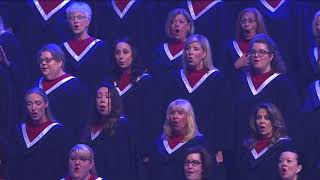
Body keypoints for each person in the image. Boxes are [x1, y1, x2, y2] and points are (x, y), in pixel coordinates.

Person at [166, 34, 233, 169]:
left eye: (195, 49)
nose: (190, 52)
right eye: (188, 49)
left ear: (204, 53)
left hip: (208, 143)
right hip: (180, 142)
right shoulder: (176, 78)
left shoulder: (217, 79)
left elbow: (223, 116)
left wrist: (219, 148)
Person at [234, 33, 300, 148]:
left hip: (273, 146)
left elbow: (290, 118)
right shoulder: (242, 81)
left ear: (271, 57)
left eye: (262, 52)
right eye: (253, 52)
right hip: (244, 144)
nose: (256, 56)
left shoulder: (282, 83)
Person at [112, 37, 162, 161]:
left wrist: (147, 148)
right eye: (118, 53)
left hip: (137, 144)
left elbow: (151, 118)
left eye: (125, 52)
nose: (121, 57)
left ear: (133, 54)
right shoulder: (109, 81)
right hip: (112, 141)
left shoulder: (145, 81)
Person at [9, 87, 69, 180]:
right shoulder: (19, 131)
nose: (33, 108)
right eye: (29, 104)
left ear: (46, 104)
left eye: (38, 103)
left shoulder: (57, 132)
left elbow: (62, 166)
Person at [36, 44, 91, 142]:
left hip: (65, 142)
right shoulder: (37, 85)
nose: (43, 63)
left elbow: (83, 121)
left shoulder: (76, 86)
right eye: (41, 61)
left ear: (60, 62)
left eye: (48, 60)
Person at [83, 83, 138, 180]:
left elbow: (125, 162)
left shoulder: (121, 125)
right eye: (99, 97)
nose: (102, 100)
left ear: (114, 101)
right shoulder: (90, 129)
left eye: (107, 97)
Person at [150, 99, 209, 180]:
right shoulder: (159, 143)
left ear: (189, 117)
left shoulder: (199, 142)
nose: (175, 117)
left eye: (180, 113)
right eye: (172, 113)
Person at [62, 1, 112, 92]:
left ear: (88, 21)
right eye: (71, 18)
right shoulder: (63, 48)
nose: (75, 21)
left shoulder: (99, 47)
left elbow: (105, 76)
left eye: (79, 17)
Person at [236, 102, 295, 180]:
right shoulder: (248, 146)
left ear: (274, 121)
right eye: (258, 117)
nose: (261, 121)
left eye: (267, 118)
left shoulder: (284, 145)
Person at [222, 8, 267, 81]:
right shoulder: (230, 48)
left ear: (258, 24)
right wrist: (236, 65)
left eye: (251, 21)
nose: (246, 24)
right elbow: (222, 77)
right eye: (243, 21)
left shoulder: (267, 47)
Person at [148, 8, 194, 79]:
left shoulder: (193, 50)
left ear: (188, 26)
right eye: (173, 22)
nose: (177, 25)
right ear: (169, 26)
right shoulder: (159, 50)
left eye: (181, 22)